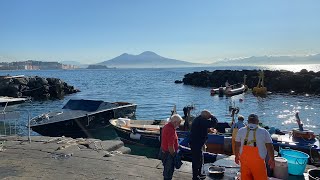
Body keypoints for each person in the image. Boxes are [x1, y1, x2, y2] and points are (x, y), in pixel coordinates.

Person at [234, 114, 275, 180]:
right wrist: (272, 159)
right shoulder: (264, 132)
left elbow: (237, 145)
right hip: (258, 163)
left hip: (244, 161)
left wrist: (236, 156)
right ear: (257, 121)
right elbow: (270, 146)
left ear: (248, 121)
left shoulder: (241, 131)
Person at [190, 110, 218, 180]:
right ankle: (195, 176)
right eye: (208, 117)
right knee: (196, 160)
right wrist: (212, 116)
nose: (209, 118)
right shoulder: (201, 120)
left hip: (198, 143)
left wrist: (207, 130)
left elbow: (202, 128)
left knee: (200, 159)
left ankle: (199, 173)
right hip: (196, 143)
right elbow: (214, 123)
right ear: (205, 116)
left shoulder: (199, 119)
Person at [160, 114, 183, 180]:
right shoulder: (171, 130)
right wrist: (174, 155)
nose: (179, 125)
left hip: (164, 151)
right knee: (168, 172)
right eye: (179, 123)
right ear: (175, 122)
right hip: (168, 154)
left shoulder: (166, 126)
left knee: (166, 170)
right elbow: (170, 146)